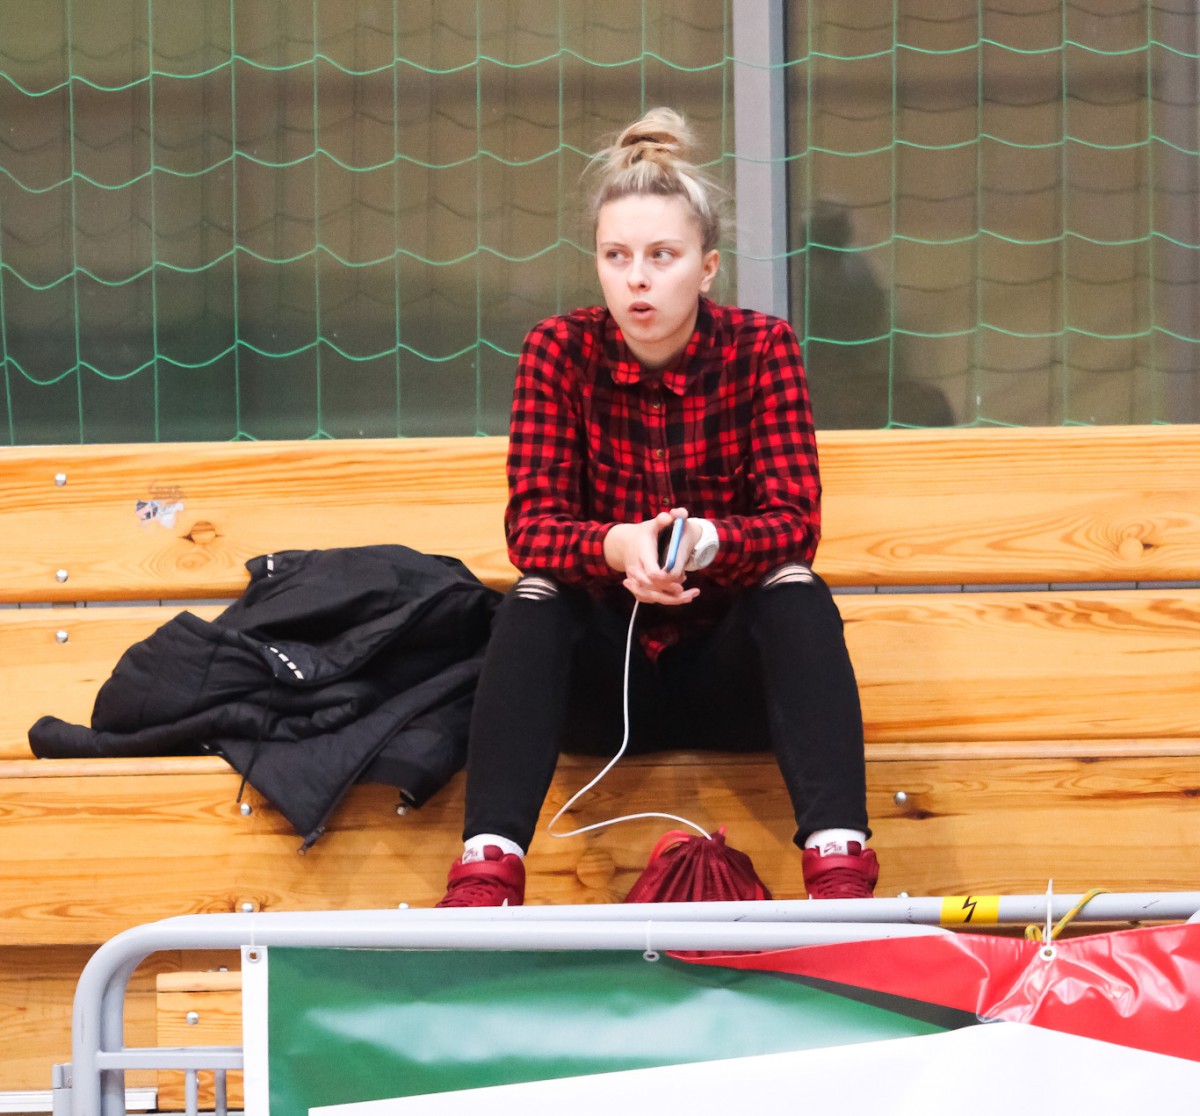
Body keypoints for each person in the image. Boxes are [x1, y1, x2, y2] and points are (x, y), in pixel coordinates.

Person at [437, 108, 877, 907]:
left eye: (661, 257)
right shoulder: (558, 350)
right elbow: (531, 527)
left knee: (794, 588)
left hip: (730, 679)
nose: (636, 279)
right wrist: (617, 547)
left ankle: (839, 864)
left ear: (707, 269)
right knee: (534, 596)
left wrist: (706, 541)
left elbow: (794, 521)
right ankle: (487, 867)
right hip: (606, 688)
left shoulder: (762, 348)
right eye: (617, 257)